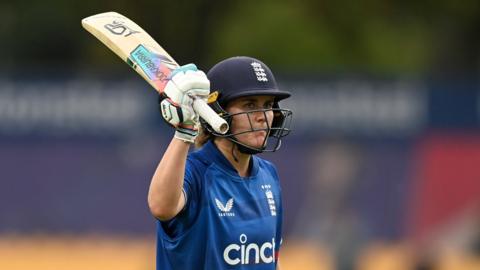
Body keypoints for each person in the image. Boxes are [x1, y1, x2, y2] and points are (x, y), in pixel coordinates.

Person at [148, 56, 293, 270]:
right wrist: (184, 132)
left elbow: (271, 259)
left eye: (268, 105)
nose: (263, 116)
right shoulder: (196, 171)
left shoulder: (268, 175)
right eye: (249, 104)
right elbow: (161, 206)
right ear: (218, 112)